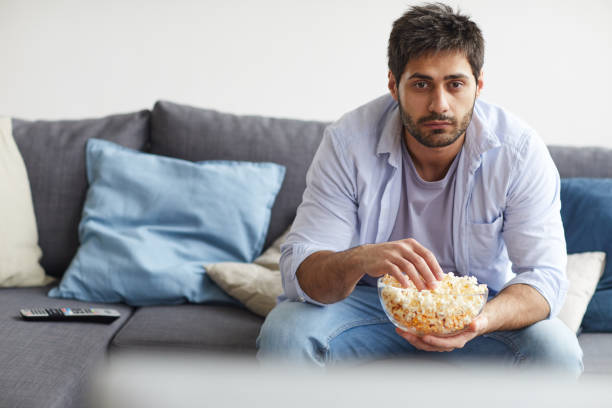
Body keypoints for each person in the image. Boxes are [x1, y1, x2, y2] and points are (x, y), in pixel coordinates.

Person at [256, 2, 583, 376]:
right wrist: (361, 258)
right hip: (371, 304)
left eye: (455, 84)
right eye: (421, 84)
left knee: (556, 351)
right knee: (286, 333)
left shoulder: (519, 151)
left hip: (478, 311)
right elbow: (301, 268)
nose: (439, 104)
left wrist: (478, 321)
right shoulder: (348, 142)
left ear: (478, 86)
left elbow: (545, 278)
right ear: (394, 85)